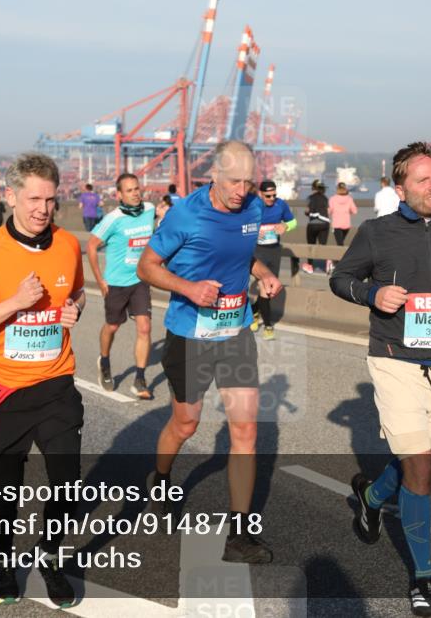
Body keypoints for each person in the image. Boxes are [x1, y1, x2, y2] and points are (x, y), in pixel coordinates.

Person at [330, 142, 431, 618]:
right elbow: (340, 278)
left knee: (420, 461)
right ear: (400, 189)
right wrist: (372, 294)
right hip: (394, 361)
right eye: (423, 180)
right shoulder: (376, 232)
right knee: (421, 468)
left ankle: (370, 496)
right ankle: (424, 577)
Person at [0, 152, 85, 608]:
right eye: (33, 199)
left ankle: (49, 556)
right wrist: (14, 303)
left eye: (50, 199)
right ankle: (4, 563)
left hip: (54, 384)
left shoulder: (67, 244)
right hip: (2, 390)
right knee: (7, 490)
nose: (42, 209)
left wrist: (75, 309)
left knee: (68, 483)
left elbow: (77, 292)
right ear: (10, 196)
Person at [137, 140, 283, 564]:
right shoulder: (186, 214)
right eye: (234, 181)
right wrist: (188, 288)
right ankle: (161, 477)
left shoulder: (252, 209)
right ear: (213, 175)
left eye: (248, 182)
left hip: (236, 331)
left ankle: (239, 535)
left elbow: (244, 255)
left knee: (246, 432)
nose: (242, 191)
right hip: (190, 335)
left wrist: (264, 274)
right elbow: (146, 267)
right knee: (186, 423)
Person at [87, 173, 155, 399]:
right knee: (113, 326)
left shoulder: (149, 210)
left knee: (144, 327)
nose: (135, 193)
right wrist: (100, 280)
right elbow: (92, 246)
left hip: (140, 280)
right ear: (119, 195)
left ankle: (140, 379)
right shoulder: (113, 219)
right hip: (116, 283)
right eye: (129, 190)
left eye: (137, 189)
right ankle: (105, 361)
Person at [249, 180, 296, 340]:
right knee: (265, 287)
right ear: (260, 194)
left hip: (275, 251)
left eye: (274, 195)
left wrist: (286, 227)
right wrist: (254, 231)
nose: (272, 198)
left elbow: (293, 222)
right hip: (258, 251)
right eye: (268, 196)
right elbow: (241, 225)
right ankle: (268, 326)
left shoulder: (280, 205)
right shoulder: (253, 206)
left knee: (269, 289)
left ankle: (254, 311)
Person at [303, 179, 330, 274]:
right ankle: (327, 265)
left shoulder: (310, 198)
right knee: (323, 245)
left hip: (313, 224)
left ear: (313, 188)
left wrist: (307, 213)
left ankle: (310, 266)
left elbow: (307, 211)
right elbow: (328, 211)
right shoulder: (325, 198)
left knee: (311, 245)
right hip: (325, 223)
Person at [329, 181, 358, 247]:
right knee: (341, 242)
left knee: (339, 243)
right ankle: (342, 252)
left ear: (337, 189)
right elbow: (355, 211)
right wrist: (348, 212)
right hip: (346, 225)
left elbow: (330, 211)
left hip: (337, 224)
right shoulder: (349, 199)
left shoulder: (332, 199)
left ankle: (341, 253)